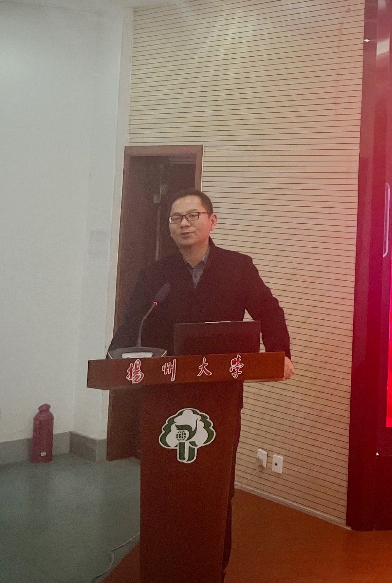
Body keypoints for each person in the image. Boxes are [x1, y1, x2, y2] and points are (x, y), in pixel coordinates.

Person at [109, 188, 293, 577]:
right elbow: (132, 321)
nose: (184, 224)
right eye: (176, 218)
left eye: (193, 215)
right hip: (165, 394)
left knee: (216, 484)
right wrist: (114, 359)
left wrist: (281, 353)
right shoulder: (155, 274)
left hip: (219, 394)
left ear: (212, 221)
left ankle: (212, 567)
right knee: (166, 485)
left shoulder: (238, 267)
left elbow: (269, 310)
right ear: (169, 226)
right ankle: (163, 565)